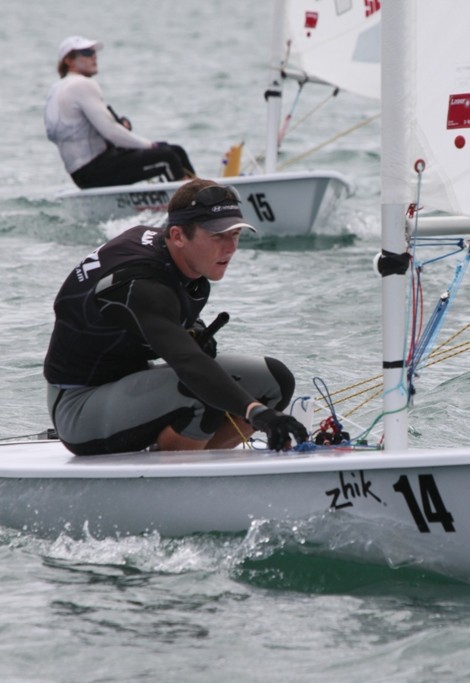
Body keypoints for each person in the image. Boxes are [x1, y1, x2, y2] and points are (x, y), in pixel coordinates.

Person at [43, 177, 308, 455]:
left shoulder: (177, 259)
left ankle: (203, 459)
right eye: (218, 236)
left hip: (128, 383)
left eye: (236, 234)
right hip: (78, 407)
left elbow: (163, 327)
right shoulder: (142, 283)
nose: (230, 248)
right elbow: (187, 362)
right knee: (202, 388)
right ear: (179, 235)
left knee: (275, 381)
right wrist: (255, 412)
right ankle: (178, 477)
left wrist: (192, 329)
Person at [44, 35, 197, 189]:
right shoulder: (81, 84)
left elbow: (69, 132)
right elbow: (111, 132)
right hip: (95, 170)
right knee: (168, 156)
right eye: (87, 53)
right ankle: (193, 205)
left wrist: (121, 127)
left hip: (81, 174)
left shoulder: (56, 89)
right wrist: (149, 145)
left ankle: (196, 194)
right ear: (69, 61)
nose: (94, 57)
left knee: (176, 151)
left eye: (94, 52)